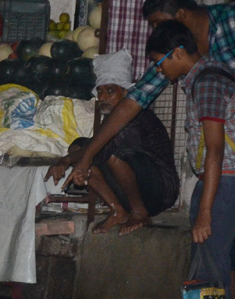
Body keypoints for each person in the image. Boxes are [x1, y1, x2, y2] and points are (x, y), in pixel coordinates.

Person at [70, 0, 235, 187]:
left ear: (180, 14)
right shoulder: (175, 53)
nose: (155, 31)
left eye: (157, 23)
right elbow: (134, 100)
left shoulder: (230, 19)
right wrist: (88, 156)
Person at [146, 19, 235, 299]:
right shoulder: (217, 75)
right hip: (222, 183)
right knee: (221, 265)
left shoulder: (208, 83)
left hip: (222, 184)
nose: (159, 71)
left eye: (160, 63)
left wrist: (205, 212)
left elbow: (215, 149)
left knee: (207, 270)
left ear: (178, 53)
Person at [46, 51, 178, 235]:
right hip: (134, 190)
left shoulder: (136, 116)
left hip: (161, 192)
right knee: (79, 146)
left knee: (111, 154)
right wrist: (69, 158)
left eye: (110, 91)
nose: (103, 98)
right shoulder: (109, 122)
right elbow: (92, 149)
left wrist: (68, 161)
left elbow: (106, 149)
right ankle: (118, 211)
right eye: (100, 91)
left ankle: (139, 213)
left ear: (125, 92)